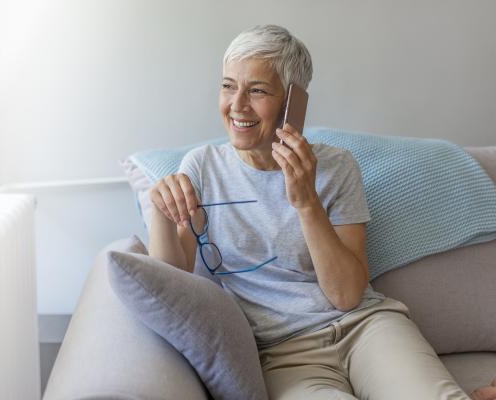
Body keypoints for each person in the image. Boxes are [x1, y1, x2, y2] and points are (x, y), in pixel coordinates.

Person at [147, 24, 496, 400]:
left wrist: (306, 201)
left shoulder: (336, 167)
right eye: (228, 85)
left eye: (258, 90)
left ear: (292, 102)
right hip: (283, 353)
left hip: (367, 328)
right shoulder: (202, 167)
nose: (237, 105)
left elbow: (347, 295)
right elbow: (169, 277)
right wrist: (162, 212)